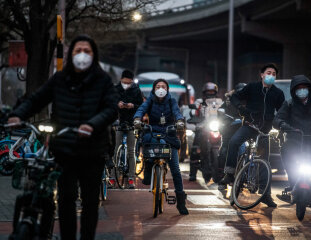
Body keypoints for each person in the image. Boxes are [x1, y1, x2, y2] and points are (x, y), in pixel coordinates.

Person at [8, 35, 118, 240]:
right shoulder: (59, 79)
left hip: (93, 151)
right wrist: (18, 115)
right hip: (65, 150)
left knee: (90, 202)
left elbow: (111, 109)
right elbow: (37, 99)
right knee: (66, 200)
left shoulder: (103, 81)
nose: (82, 55)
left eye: (87, 51)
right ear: (71, 54)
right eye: (78, 51)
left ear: (94, 55)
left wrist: (93, 125)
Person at [220, 63, 285, 207]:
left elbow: (282, 112)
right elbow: (235, 97)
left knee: (264, 161)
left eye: (274, 74)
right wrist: (241, 108)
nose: (271, 76)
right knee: (234, 141)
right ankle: (229, 173)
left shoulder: (278, 93)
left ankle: (266, 195)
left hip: (264, 131)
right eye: (268, 73)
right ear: (262, 75)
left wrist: (280, 125)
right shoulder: (252, 87)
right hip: (249, 126)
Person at [133, 79, 189, 215]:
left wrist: (180, 121)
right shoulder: (150, 100)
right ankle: (148, 171)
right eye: (158, 86)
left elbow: (177, 113)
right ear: (154, 89)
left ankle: (181, 202)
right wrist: (137, 119)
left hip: (169, 133)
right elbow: (141, 109)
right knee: (148, 152)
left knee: (175, 169)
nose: (160, 88)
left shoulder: (171, 101)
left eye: (163, 86)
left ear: (167, 89)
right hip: (153, 131)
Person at [273, 75, 311, 201]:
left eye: (304, 88)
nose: (302, 91)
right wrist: (284, 126)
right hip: (295, 141)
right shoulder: (289, 104)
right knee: (286, 151)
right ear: (294, 91)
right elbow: (277, 119)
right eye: (298, 88)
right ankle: (293, 185)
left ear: (309, 89)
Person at [109, 69, 144, 189]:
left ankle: (131, 179)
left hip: (131, 123)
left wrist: (132, 105)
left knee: (131, 152)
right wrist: (116, 104)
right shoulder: (114, 89)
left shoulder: (136, 90)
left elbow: (141, 107)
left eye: (128, 82)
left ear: (132, 81)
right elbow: (108, 104)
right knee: (115, 151)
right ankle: (112, 179)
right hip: (118, 123)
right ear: (121, 80)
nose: (126, 84)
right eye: (124, 82)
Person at [189, 82, 221, 182]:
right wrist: (195, 112)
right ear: (204, 92)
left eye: (212, 92)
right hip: (202, 127)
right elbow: (193, 112)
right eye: (208, 92)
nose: (210, 93)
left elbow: (224, 112)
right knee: (195, 148)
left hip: (215, 127)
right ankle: (192, 173)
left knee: (225, 145)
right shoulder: (199, 102)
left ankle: (221, 170)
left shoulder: (219, 102)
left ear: (215, 93)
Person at [216, 83, 246, 190]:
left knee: (249, 152)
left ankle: (246, 177)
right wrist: (227, 122)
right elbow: (220, 115)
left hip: (245, 131)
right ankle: (223, 178)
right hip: (229, 132)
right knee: (224, 152)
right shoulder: (228, 102)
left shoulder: (250, 101)